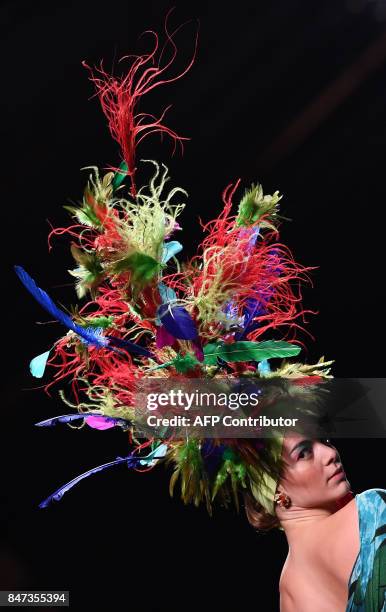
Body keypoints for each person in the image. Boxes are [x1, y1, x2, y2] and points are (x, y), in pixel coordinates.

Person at [244, 432, 386, 611]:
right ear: (275, 490)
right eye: (303, 453)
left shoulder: (289, 598)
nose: (330, 453)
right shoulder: (372, 512)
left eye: (325, 440)